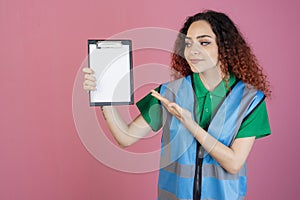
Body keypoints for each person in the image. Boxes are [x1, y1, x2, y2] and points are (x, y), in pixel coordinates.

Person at [82, 10, 271, 200]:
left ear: (225, 47)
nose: (193, 51)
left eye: (204, 42)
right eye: (188, 44)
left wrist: (189, 123)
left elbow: (234, 163)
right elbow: (125, 137)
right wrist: (103, 95)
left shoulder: (250, 100)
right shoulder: (169, 93)